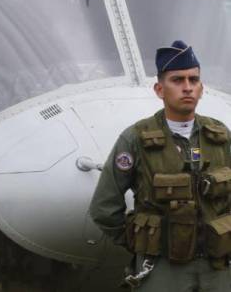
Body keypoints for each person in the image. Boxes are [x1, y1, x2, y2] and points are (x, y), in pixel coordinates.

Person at [90, 41, 231, 290]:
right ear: (159, 89)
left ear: (201, 88)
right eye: (177, 80)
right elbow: (104, 207)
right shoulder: (135, 139)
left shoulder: (220, 135)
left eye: (193, 80)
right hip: (163, 270)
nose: (187, 87)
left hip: (218, 269)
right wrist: (143, 242)